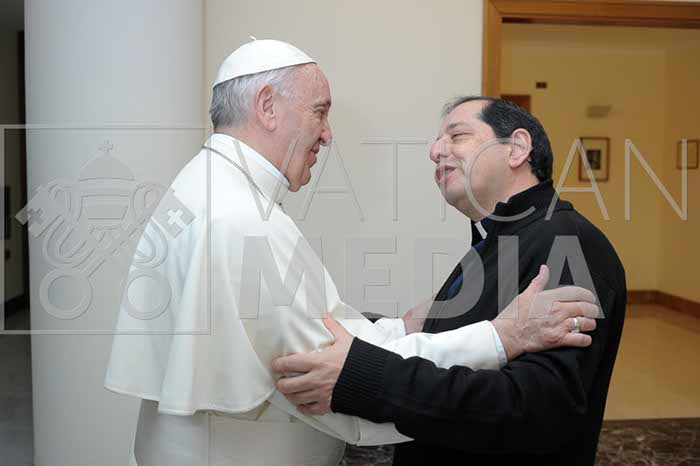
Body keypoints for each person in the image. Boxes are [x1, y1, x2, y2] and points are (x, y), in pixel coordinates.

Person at [104, 40, 599, 466]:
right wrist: (500, 336)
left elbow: (542, 405)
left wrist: (399, 328)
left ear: (516, 148)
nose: (327, 133)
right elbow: (326, 370)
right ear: (267, 106)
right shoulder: (240, 219)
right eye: (320, 111)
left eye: (457, 135)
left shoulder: (207, 188)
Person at [273, 97, 627, 466]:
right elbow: (449, 351)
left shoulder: (568, 243)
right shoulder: (494, 244)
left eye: (457, 136)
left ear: (517, 148)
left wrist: (362, 375)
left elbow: (535, 409)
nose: (435, 151)